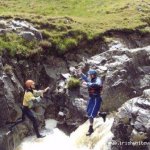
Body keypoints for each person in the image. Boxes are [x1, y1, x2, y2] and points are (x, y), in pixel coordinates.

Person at [80, 69, 106, 136]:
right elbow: (86, 79)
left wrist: (87, 83)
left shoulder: (98, 80)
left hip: (96, 99)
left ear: (93, 75)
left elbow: (97, 85)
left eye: (89, 74)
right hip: (91, 98)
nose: (88, 75)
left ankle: (91, 129)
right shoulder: (91, 79)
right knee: (88, 112)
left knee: (91, 114)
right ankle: (102, 114)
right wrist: (81, 73)